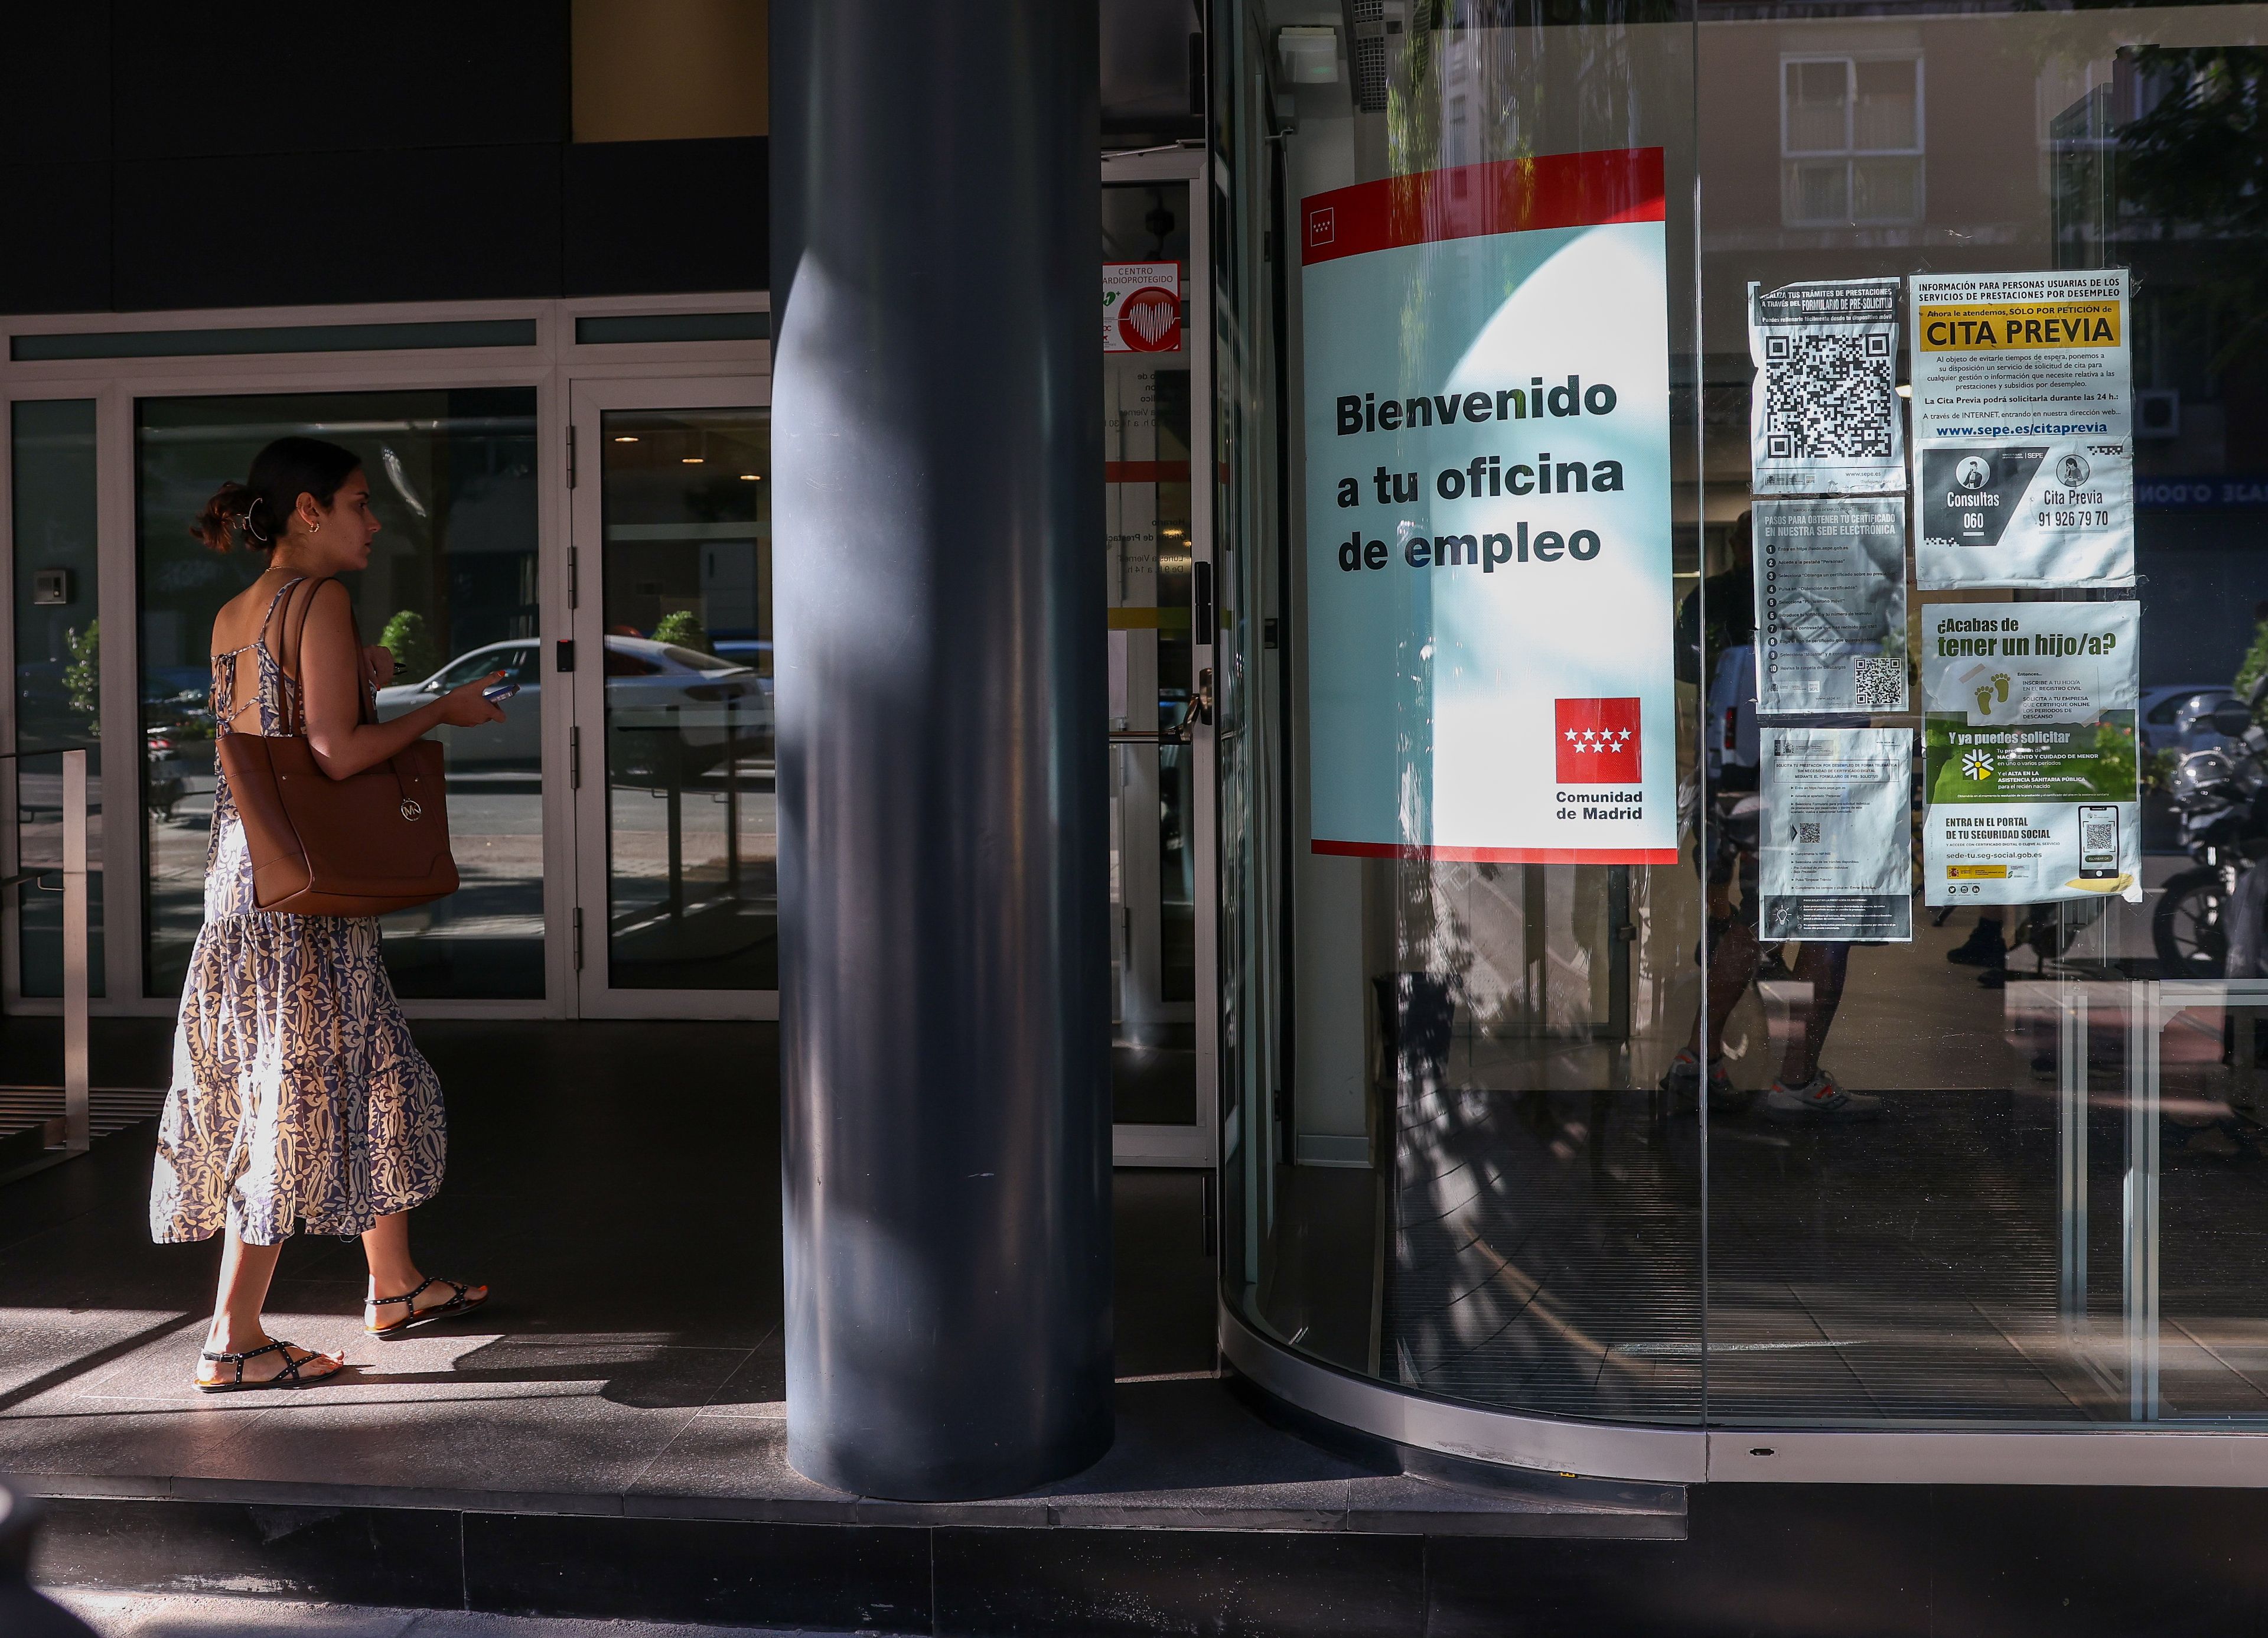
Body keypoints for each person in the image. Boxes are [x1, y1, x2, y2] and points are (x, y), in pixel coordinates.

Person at [151, 438, 508, 1390]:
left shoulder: (237, 610)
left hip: (247, 877)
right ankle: (233, 1338)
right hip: (302, 900)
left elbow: (279, 740)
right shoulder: (323, 600)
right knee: (291, 1094)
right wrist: (441, 710)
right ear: (308, 510)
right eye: (358, 502)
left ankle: (393, 1283)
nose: (373, 519)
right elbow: (338, 755)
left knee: (374, 1064)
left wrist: (364, 679)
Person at [1661, 512, 1880, 1122]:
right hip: (1807, 776)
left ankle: (1698, 1059)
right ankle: (1794, 1079)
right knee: (1822, 931)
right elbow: (1882, 684)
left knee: (1757, 923)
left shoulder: (1718, 600)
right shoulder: (1826, 602)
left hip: (1743, 773)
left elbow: (1696, 683)